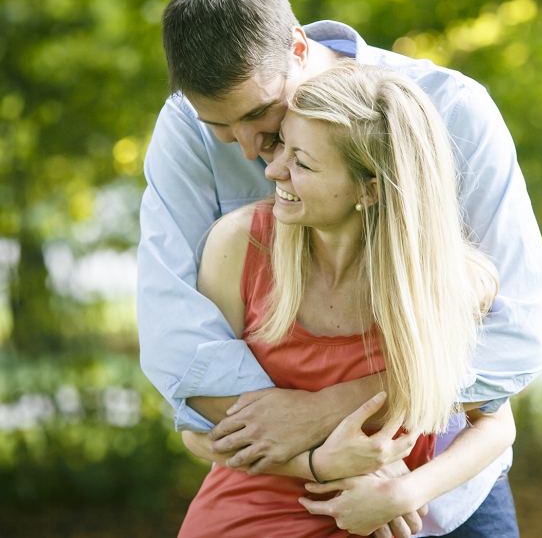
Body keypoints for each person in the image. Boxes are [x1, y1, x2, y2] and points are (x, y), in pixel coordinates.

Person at [138, 0, 542, 535]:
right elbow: (180, 350)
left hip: (445, 494)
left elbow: (515, 339)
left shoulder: (453, 110)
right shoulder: (188, 133)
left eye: (262, 115)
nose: (255, 151)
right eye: (223, 128)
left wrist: (333, 413)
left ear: (299, 47)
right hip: (272, 500)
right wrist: (321, 464)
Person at [178, 61, 517, 537]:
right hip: (244, 520)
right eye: (282, 148)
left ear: (370, 188)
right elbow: (195, 429)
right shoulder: (238, 246)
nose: (273, 170)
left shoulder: (449, 281)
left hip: (375, 520)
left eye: (303, 162)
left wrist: (404, 494)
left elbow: (497, 425)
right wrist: (321, 464)